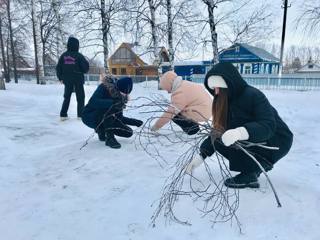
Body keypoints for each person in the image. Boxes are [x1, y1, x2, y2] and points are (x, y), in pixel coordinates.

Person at [186, 62, 293, 189]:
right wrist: (201, 155)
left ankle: (251, 173)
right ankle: (253, 171)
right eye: (213, 88)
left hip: (277, 140)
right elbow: (217, 132)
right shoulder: (224, 102)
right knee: (220, 140)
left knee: (231, 138)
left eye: (219, 87)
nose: (216, 92)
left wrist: (240, 132)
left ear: (229, 84)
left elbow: (267, 125)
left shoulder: (253, 95)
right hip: (257, 140)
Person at [82, 76, 143, 149]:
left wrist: (134, 122)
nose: (123, 95)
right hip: (90, 116)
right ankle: (110, 138)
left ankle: (102, 130)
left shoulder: (121, 97)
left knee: (128, 132)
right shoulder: (104, 87)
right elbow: (93, 102)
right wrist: (113, 102)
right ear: (118, 87)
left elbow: (119, 117)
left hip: (106, 119)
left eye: (125, 94)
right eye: (122, 92)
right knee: (108, 108)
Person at [151, 71, 212, 135]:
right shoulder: (185, 84)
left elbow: (170, 113)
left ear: (169, 84)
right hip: (206, 110)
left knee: (175, 115)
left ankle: (192, 130)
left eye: (166, 88)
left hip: (201, 113)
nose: (168, 92)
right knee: (177, 110)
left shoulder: (179, 92)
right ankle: (193, 125)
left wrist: (156, 126)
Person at [56, 36, 89, 121]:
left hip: (67, 80)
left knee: (67, 97)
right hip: (78, 79)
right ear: (77, 45)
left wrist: (60, 77)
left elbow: (58, 67)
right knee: (80, 97)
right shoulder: (79, 56)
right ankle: (80, 115)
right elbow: (85, 69)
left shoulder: (63, 56)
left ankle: (63, 115)